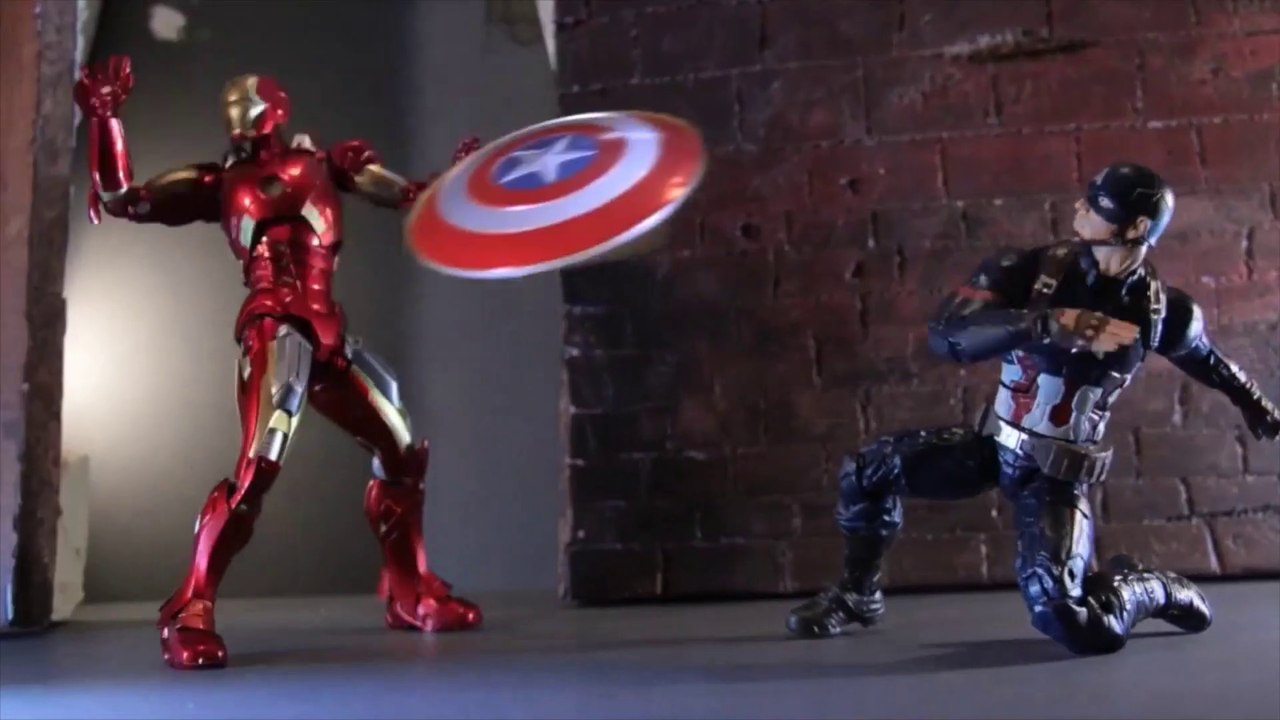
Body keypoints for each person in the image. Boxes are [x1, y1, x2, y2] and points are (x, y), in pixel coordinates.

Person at [74, 56, 484, 669]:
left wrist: (458, 181)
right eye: (232, 108)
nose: (241, 116)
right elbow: (123, 198)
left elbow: (408, 195)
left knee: (401, 447)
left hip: (328, 328)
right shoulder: (220, 182)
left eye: (252, 104)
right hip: (274, 324)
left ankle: (410, 590)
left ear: (278, 109)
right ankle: (190, 609)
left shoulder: (325, 164)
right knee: (259, 464)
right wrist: (106, 121)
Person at [785, 162, 1280, 654]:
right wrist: (1043, 324)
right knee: (866, 472)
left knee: (1073, 621)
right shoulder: (1028, 271)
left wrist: (1256, 404)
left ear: (1135, 228)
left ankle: (1145, 588)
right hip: (991, 445)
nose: (1080, 208)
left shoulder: (1163, 311)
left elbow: (1208, 361)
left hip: (1056, 473)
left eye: (1098, 205)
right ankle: (858, 594)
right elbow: (947, 335)